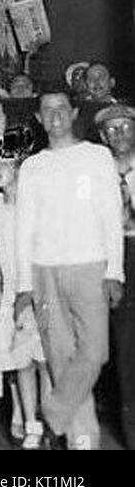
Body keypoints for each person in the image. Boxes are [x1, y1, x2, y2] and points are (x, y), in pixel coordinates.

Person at [16, 90, 125, 450]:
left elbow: (112, 217)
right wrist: (23, 285)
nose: (55, 115)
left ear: (74, 112)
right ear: (39, 118)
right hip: (45, 270)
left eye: (62, 108)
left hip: (91, 267)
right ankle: (83, 440)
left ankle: (53, 410)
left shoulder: (97, 157)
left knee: (95, 353)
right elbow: (23, 229)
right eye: (47, 110)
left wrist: (115, 271)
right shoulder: (32, 166)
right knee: (60, 358)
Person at [0, 141, 49, 449]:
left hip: (38, 287)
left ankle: (50, 423)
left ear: (20, 168)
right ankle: (30, 422)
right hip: (11, 290)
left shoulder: (35, 203)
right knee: (20, 359)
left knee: (44, 359)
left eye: (4, 165)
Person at [97, 101, 135, 449]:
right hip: (116, 258)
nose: (119, 133)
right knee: (126, 350)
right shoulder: (97, 174)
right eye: (111, 129)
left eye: (125, 126)